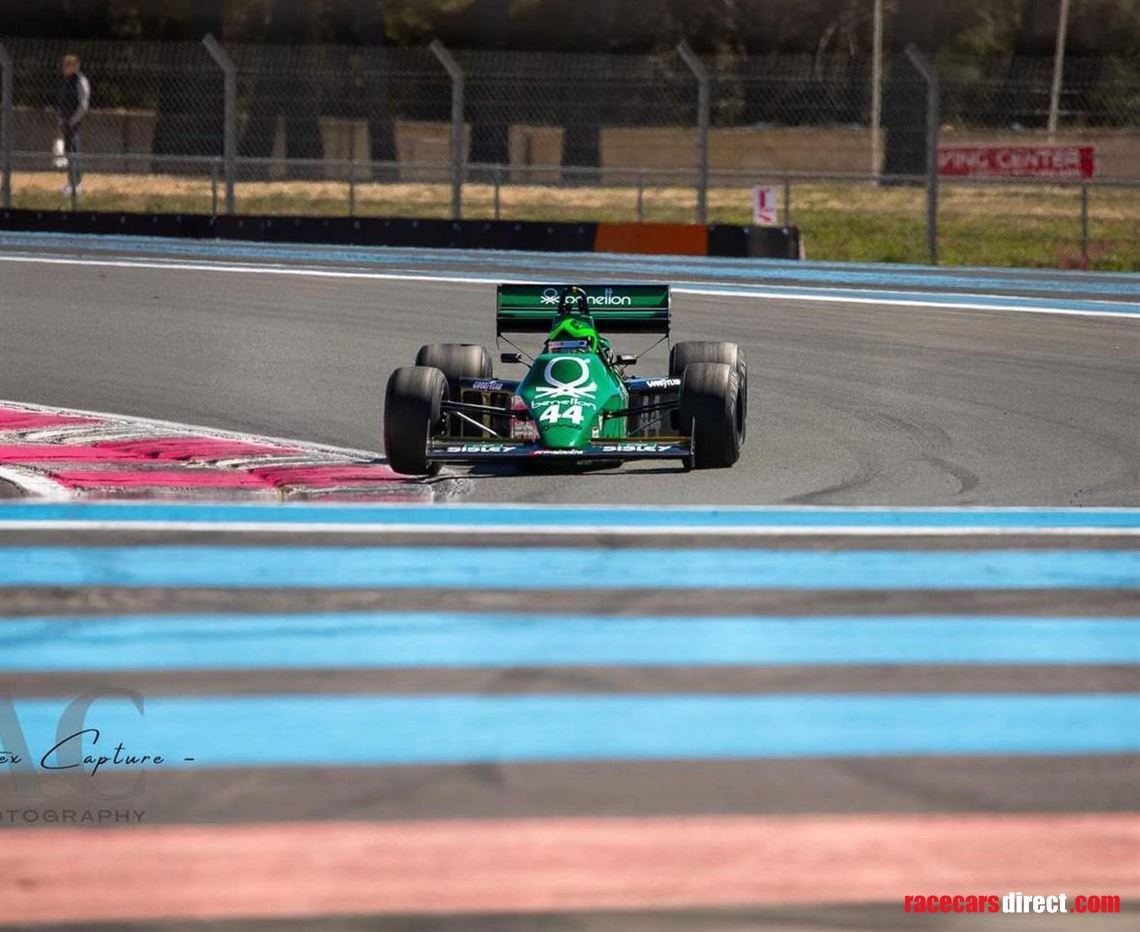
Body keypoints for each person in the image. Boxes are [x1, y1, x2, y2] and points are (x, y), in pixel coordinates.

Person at [56, 54, 91, 196]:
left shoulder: (80, 81)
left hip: (74, 121)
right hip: (66, 120)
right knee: (68, 150)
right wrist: (60, 119)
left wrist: (73, 120)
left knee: (74, 150)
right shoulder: (67, 81)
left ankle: (76, 184)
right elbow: (63, 101)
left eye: (66, 65)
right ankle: (71, 182)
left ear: (73, 66)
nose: (64, 68)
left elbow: (83, 103)